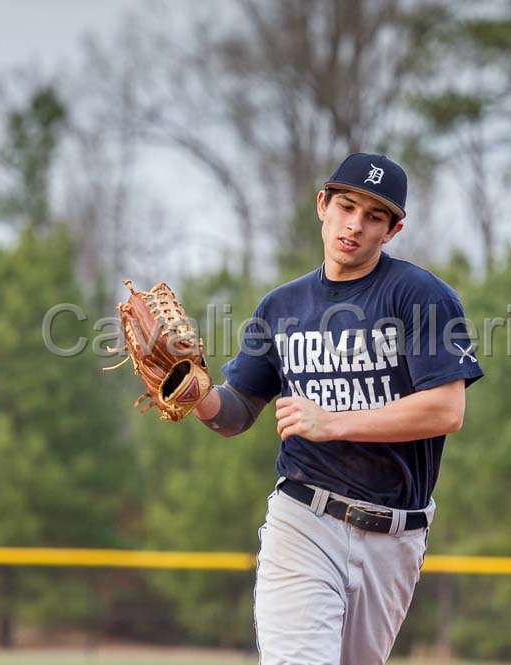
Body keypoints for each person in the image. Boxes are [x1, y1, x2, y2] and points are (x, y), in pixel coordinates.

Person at [193, 153, 483, 665]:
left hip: (396, 534)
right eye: (346, 206)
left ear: (393, 231)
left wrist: (333, 422)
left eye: (374, 216)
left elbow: (445, 410)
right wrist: (191, 388)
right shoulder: (282, 307)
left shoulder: (420, 296)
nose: (355, 224)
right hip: (304, 518)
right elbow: (234, 412)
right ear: (322, 205)